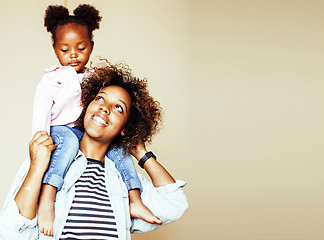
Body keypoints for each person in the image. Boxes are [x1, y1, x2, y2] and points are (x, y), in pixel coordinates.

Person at [0, 61, 188, 240]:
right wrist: (36, 169)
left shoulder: (123, 181)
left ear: (125, 128)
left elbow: (174, 204)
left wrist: (142, 154)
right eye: (100, 98)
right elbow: (9, 233)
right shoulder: (49, 162)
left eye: (118, 108)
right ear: (86, 106)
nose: (104, 108)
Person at [34, 4, 159, 236]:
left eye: (81, 48)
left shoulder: (96, 79)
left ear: (91, 46)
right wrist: (40, 139)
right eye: (65, 49)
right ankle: (47, 199)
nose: (73, 55)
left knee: (119, 149)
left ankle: (134, 198)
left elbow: (104, 110)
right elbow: (41, 109)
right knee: (70, 144)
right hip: (61, 132)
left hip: (86, 132)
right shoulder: (51, 79)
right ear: (55, 49)